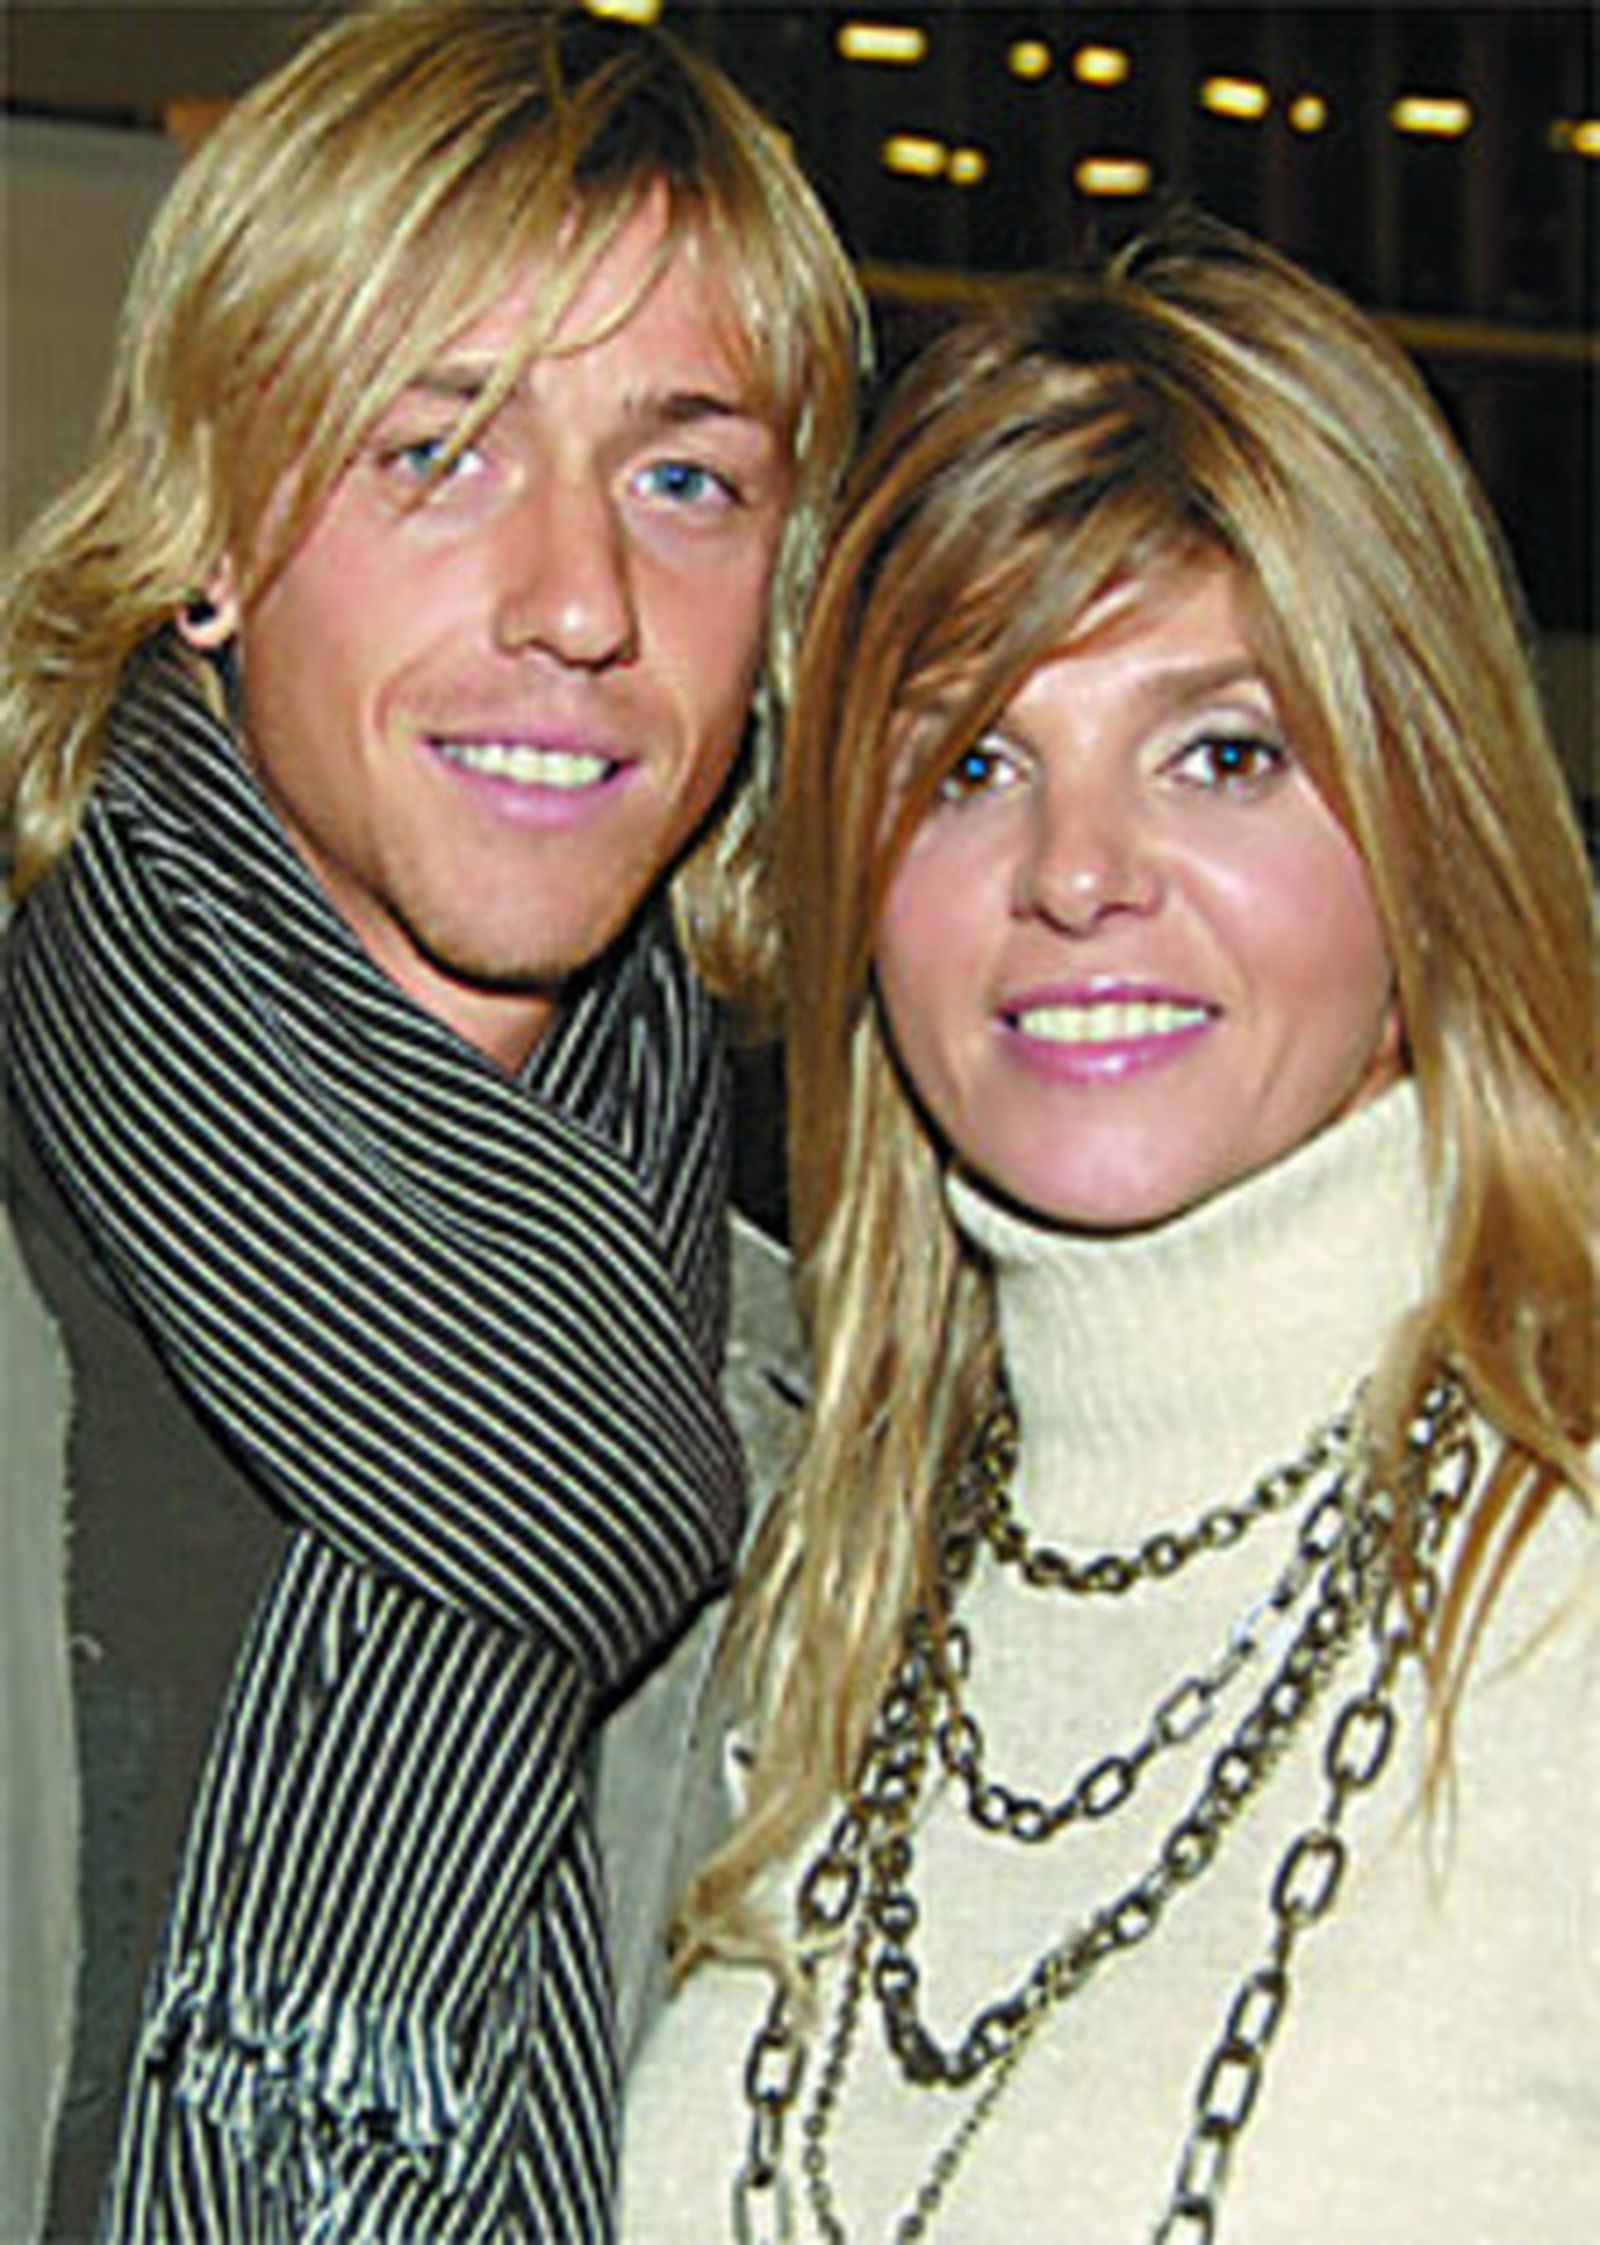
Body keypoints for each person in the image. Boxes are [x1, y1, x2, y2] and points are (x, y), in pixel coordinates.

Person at [619, 219, 1598, 2240]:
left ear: (1427, 818)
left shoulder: (1554, 1589)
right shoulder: (798, 1577)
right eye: (971, 763)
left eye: (1222, 754)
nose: (1077, 872)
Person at [0, 1, 865, 2236]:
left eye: (685, 480)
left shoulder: (823, 1436)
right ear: (209, 528)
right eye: (439, 448)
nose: (580, 601)